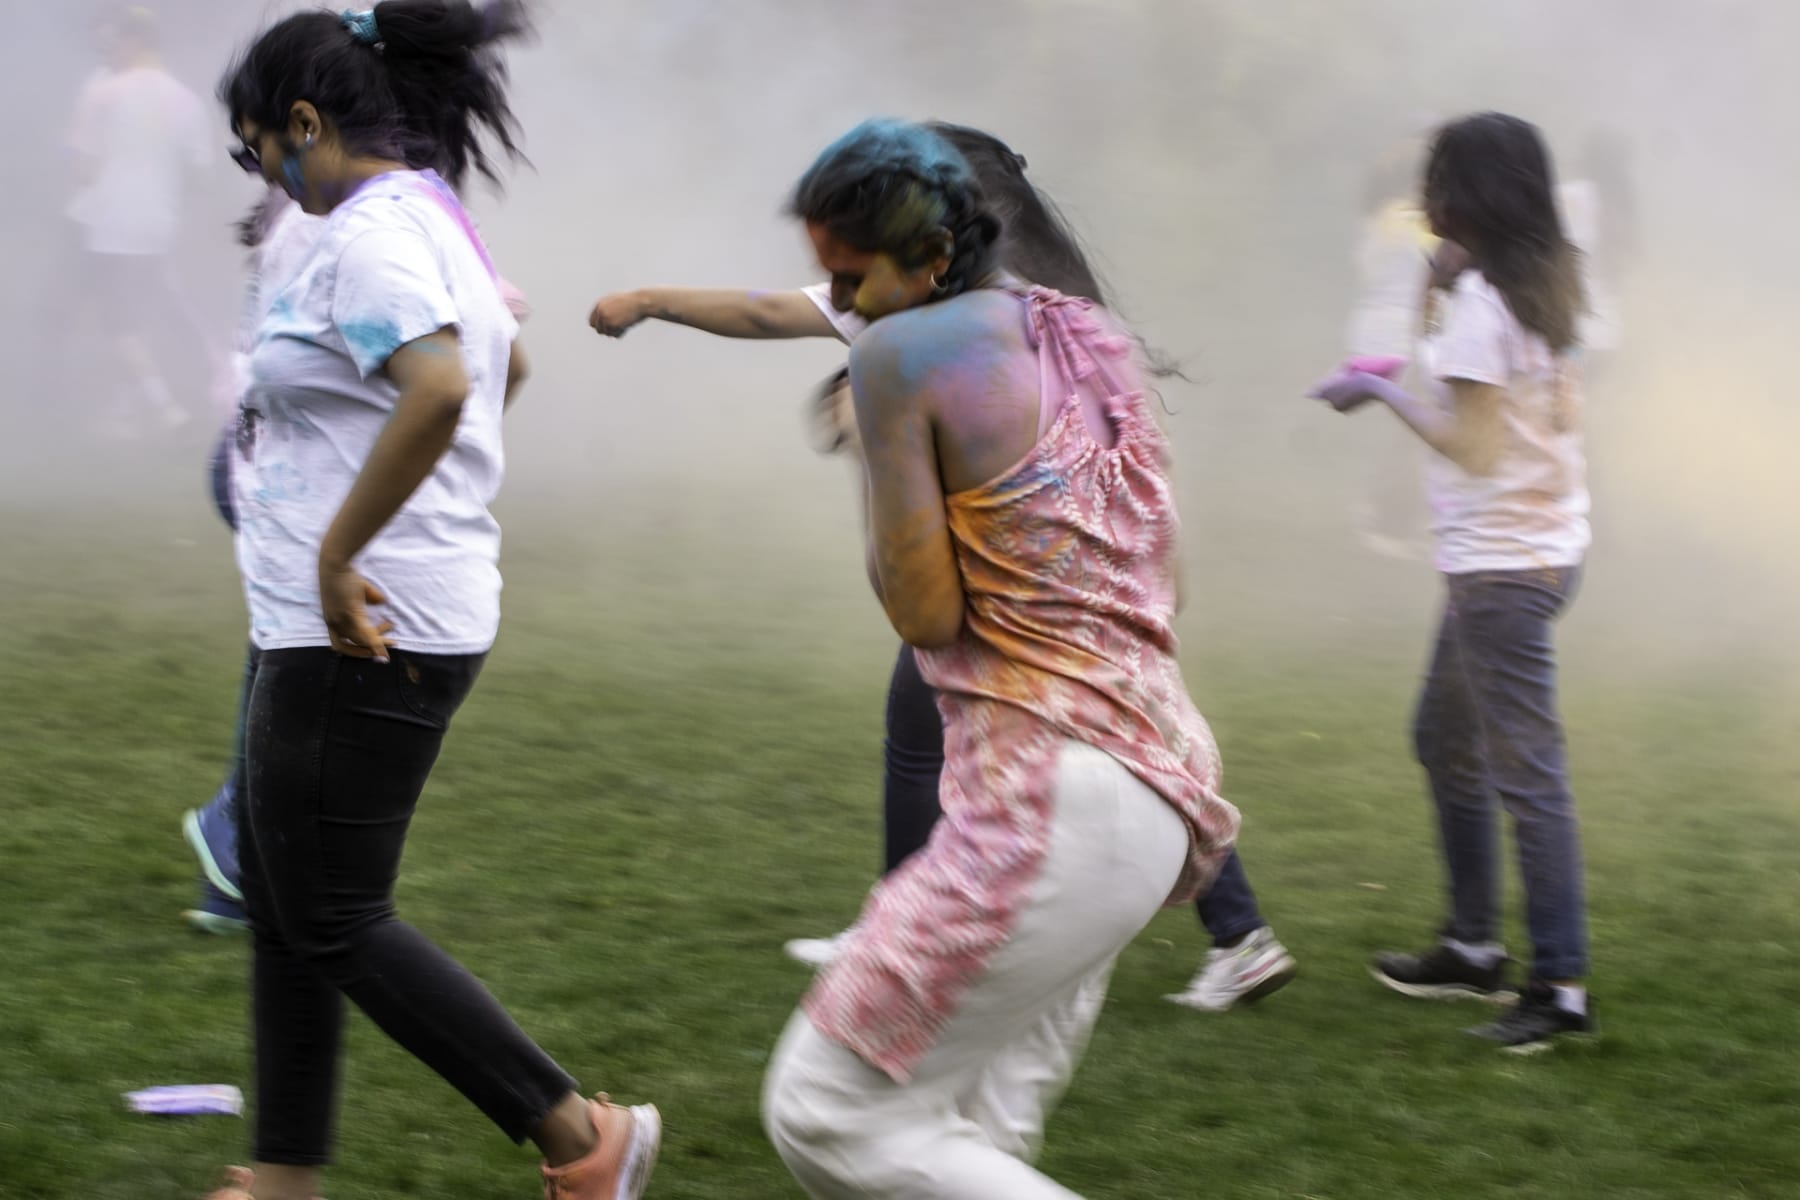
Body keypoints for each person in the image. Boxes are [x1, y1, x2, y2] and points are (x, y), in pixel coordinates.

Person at [590, 122, 1295, 1014]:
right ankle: (1230, 933)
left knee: (1050, 739)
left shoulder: (930, 322)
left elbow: (924, 599)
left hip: (1005, 592)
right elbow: (773, 311)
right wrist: (652, 299)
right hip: (1084, 593)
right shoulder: (1054, 317)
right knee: (1121, 739)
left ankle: (916, 928)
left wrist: (861, 438)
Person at [202, 5, 657, 1198]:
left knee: (335, 914)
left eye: (258, 149)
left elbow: (446, 383)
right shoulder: (425, 215)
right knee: (286, 898)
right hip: (341, 613)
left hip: (365, 620)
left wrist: (342, 550)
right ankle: (283, 1178)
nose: (262, 175)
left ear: (306, 123)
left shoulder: (372, 232)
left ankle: (583, 1137)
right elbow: (505, 361)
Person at [755, 118, 1241, 1198]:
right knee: (974, 1134)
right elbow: (1168, 577)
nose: (842, 304)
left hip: (1046, 807)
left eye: (853, 277)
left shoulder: (895, 359)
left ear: (933, 255)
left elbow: (924, 613)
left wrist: (878, 455)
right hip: (1156, 786)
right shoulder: (1089, 337)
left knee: (824, 1116)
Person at [1309, 111, 1596, 1054]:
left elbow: (1470, 448)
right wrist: (1435, 289)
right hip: (1541, 549)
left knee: (1527, 775)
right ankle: (1474, 947)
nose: (1422, 196)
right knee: (1444, 738)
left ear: (1470, 192)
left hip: (1501, 571)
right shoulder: (1541, 281)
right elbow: (1478, 389)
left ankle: (1558, 989)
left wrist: (1378, 391)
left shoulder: (1486, 303)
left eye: (1436, 180)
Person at [63, 4, 213, 435]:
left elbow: (82, 168)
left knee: (119, 323)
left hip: (109, 224)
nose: (108, 47)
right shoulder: (185, 99)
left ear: (133, 41)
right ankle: (126, 409)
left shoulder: (103, 92)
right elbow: (199, 172)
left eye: (115, 39)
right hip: (159, 225)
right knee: (139, 317)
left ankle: (166, 409)